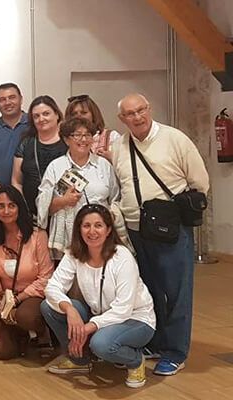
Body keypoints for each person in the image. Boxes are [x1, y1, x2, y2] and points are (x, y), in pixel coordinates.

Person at [111, 93, 209, 376]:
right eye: (130, 113)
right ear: (122, 119)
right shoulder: (120, 146)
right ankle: (155, 342)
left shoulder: (175, 139)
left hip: (170, 229)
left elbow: (199, 182)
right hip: (135, 230)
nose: (137, 117)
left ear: (149, 109)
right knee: (149, 291)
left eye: (141, 110)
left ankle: (176, 351)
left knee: (177, 291)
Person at [42, 204, 155, 389]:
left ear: (108, 229)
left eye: (98, 225)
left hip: (135, 319)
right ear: (79, 229)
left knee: (101, 344)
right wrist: (69, 309)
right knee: (49, 307)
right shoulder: (74, 253)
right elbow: (52, 287)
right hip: (101, 317)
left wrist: (86, 329)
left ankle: (135, 360)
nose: (92, 231)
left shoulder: (122, 257)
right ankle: (80, 360)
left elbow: (123, 309)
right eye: (86, 226)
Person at [0, 186, 53, 360]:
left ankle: (41, 333)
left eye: (11, 205)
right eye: (1, 206)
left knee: (26, 316)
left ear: (20, 207)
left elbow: (46, 278)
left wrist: (18, 300)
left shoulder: (37, 236)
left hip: (33, 296)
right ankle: (20, 336)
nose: (6, 211)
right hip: (5, 300)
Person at [37, 118, 120, 260]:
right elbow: (43, 206)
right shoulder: (55, 167)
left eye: (87, 135)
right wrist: (64, 201)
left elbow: (115, 199)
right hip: (68, 240)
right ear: (66, 139)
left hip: (100, 236)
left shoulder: (103, 165)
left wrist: (108, 218)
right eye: (77, 135)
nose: (83, 139)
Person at [11, 95, 67, 217]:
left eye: (46, 114)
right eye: (36, 116)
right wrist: (23, 207)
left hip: (65, 211)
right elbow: (16, 181)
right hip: (32, 213)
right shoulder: (26, 143)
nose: (41, 119)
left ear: (57, 115)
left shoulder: (69, 141)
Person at [64, 94, 121, 160]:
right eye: (74, 114)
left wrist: (113, 159)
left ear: (93, 114)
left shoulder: (111, 136)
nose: (79, 116)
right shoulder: (66, 139)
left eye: (83, 113)